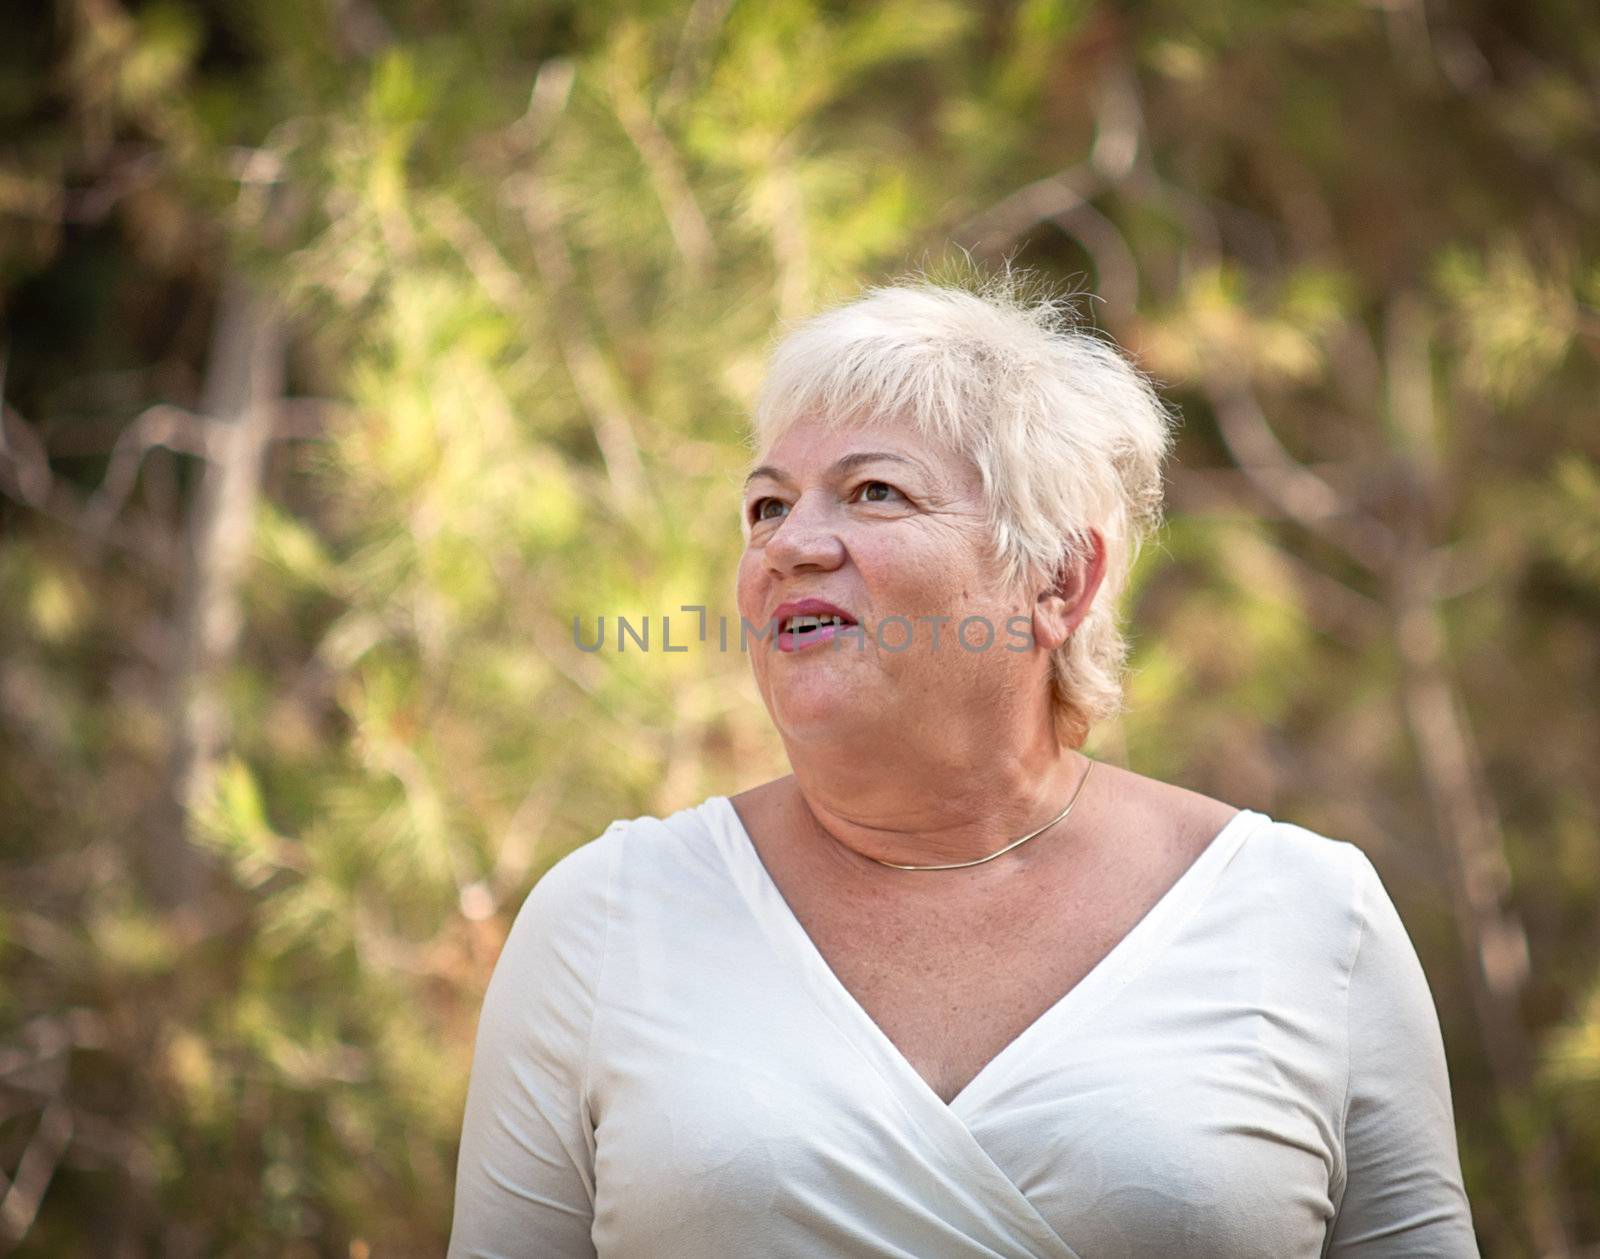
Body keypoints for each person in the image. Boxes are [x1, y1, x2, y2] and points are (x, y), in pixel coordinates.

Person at [448, 278, 1480, 1257]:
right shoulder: (607, 917)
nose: (789, 545)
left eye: (873, 492)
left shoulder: (1307, 914)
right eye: (765, 506)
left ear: (1059, 578)